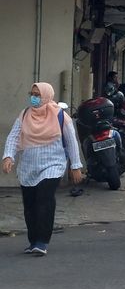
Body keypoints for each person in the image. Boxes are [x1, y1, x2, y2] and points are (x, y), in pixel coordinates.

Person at [2, 82, 83, 256]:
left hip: (52, 165)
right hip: (28, 167)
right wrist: (8, 156)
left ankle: (42, 241)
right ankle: (33, 240)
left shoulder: (60, 116)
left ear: (46, 96)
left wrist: (75, 166)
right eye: (31, 93)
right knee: (30, 205)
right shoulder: (24, 115)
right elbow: (14, 137)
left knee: (44, 199)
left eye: (37, 94)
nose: (34, 97)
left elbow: (71, 141)